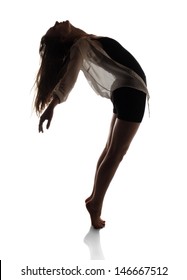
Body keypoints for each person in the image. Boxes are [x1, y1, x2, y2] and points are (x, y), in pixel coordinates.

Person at [34, 20, 149, 229]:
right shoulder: (80, 45)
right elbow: (70, 77)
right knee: (115, 154)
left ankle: (94, 198)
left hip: (125, 90)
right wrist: (53, 104)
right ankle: (96, 205)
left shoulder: (86, 41)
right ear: (61, 37)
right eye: (54, 28)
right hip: (131, 93)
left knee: (110, 150)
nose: (56, 22)